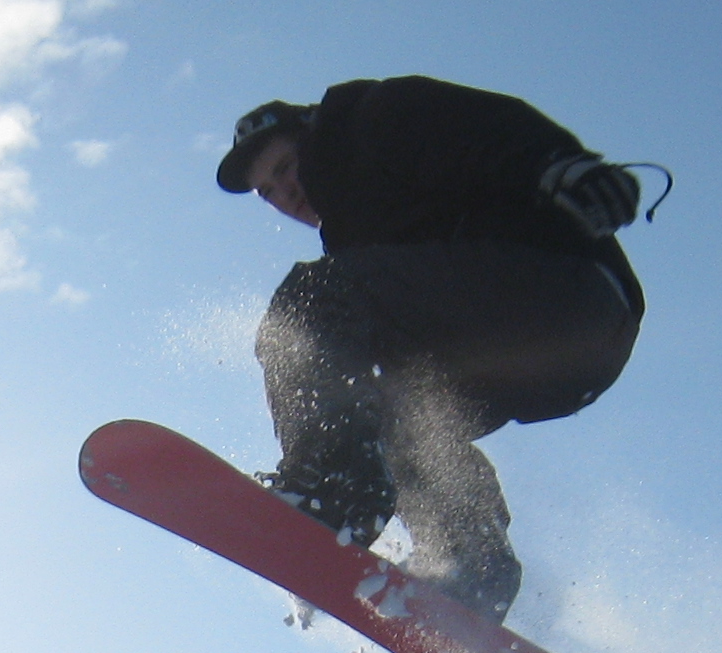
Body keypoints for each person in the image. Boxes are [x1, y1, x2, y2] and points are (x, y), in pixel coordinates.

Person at [216, 75, 647, 623]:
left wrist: (563, 166)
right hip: (553, 353)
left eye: (284, 169)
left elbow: (484, 128)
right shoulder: (358, 234)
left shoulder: (374, 120)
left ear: (312, 137)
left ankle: (329, 492)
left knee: (306, 304)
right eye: (268, 193)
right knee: (389, 412)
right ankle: (471, 564)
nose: (285, 196)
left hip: (561, 292)